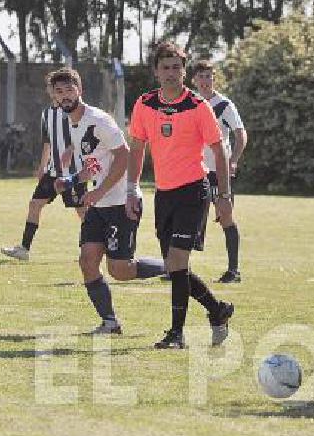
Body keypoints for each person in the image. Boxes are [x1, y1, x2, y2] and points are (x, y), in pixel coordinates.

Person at [42, 68, 171, 334]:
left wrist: (98, 193)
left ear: (79, 90)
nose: (64, 96)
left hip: (121, 203)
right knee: (87, 261)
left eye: (69, 90)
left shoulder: (98, 120)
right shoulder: (72, 123)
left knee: (120, 270)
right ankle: (110, 322)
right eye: (59, 92)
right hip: (98, 206)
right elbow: (95, 165)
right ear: (53, 97)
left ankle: (173, 266)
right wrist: (71, 180)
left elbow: (125, 155)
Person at [126, 41, 236, 349]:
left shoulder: (198, 106)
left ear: (184, 71)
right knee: (175, 267)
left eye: (177, 67)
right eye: (166, 67)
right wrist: (131, 188)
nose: (172, 73)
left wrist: (223, 195)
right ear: (156, 72)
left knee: (176, 260)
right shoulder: (144, 104)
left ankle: (177, 334)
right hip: (163, 194)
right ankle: (217, 310)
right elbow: (137, 147)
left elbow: (219, 149)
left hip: (193, 191)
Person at [160, 60, 248, 283]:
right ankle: (179, 270)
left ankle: (233, 270)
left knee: (225, 216)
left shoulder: (223, 105)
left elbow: (241, 135)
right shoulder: (189, 103)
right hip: (193, 171)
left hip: (217, 171)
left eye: (209, 76)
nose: (205, 81)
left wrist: (233, 161)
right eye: (201, 76)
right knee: (185, 218)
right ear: (194, 79)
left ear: (213, 79)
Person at [1, 74, 87, 260]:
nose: (54, 92)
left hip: (73, 173)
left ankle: (91, 248)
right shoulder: (47, 114)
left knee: (82, 211)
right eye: (53, 89)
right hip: (52, 172)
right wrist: (42, 167)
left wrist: (72, 149)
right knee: (35, 204)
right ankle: (24, 249)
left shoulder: (74, 111)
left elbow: (82, 137)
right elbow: (47, 142)